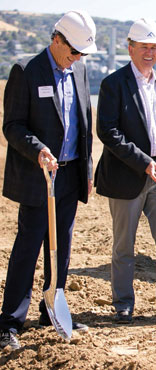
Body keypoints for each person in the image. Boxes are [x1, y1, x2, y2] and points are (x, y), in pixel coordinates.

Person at [0, 10, 97, 349]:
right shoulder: (26, 72)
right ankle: (10, 322)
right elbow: (12, 125)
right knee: (29, 246)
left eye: (81, 55)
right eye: (73, 53)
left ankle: (50, 311)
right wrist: (38, 149)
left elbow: (84, 123)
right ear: (57, 41)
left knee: (63, 247)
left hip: (70, 175)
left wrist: (86, 171)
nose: (76, 59)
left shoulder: (79, 71)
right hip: (38, 176)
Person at [95, 19, 156, 324]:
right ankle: (123, 304)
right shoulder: (113, 84)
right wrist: (143, 161)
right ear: (130, 48)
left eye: (154, 47)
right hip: (127, 176)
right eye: (144, 47)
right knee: (124, 245)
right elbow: (108, 131)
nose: (150, 52)